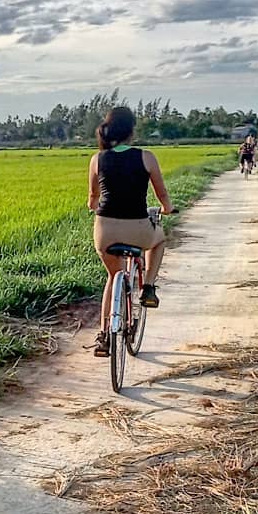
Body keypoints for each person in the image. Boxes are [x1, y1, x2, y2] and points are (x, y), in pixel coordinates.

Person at [88, 107, 176, 357]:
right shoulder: (146, 157)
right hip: (137, 229)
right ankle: (148, 286)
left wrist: (94, 205)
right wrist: (167, 209)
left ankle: (103, 336)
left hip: (105, 232)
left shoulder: (97, 159)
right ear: (131, 131)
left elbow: (93, 198)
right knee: (159, 240)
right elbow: (162, 195)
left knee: (112, 276)